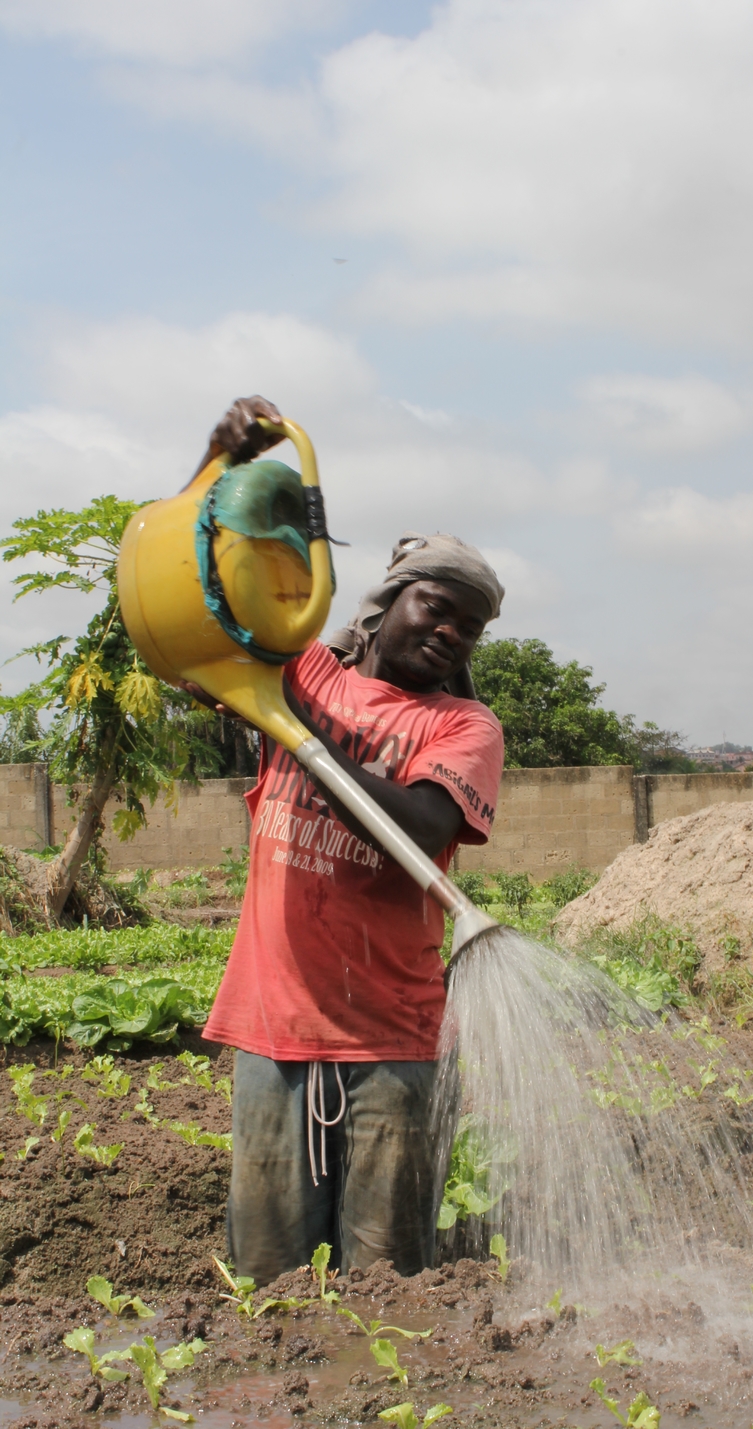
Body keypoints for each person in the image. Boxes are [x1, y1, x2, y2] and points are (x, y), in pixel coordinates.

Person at [192, 397, 506, 1286]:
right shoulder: (303, 671)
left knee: (389, 1280)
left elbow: (420, 823)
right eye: (435, 609)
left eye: (468, 629)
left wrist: (307, 740)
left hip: (393, 1041)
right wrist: (225, 465)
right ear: (387, 601)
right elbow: (209, 610)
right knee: (267, 1272)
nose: (448, 634)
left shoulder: (466, 726)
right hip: (272, 1023)